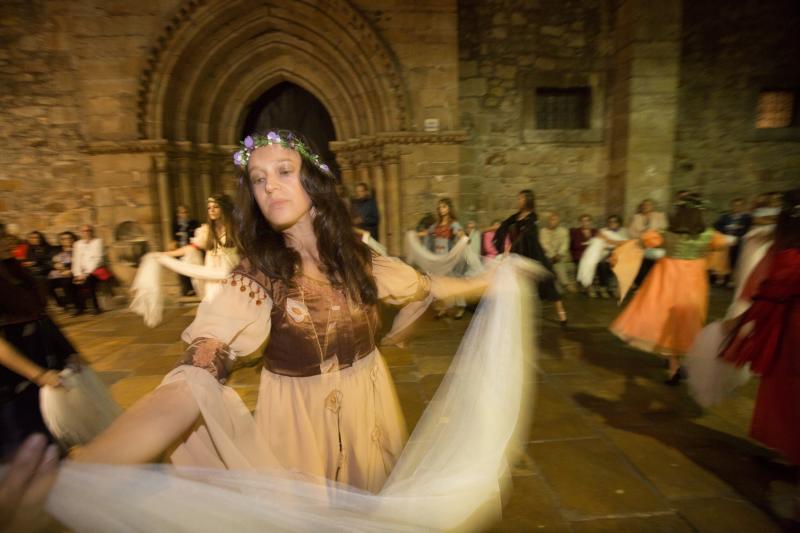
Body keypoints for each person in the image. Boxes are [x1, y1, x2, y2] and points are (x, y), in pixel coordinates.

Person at [71, 130, 491, 495]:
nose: (269, 186)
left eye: (284, 171)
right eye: (258, 179)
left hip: (371, 410)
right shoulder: (258, 275)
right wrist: (93, 462)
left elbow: (426, 285)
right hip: (302, 429)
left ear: (313, 180)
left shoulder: (356, 257)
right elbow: (195, 374)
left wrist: (492, 280)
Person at [719, 188, 800, 485]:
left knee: (790, 389)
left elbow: (771, 291)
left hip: (793, 330)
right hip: (789, 322)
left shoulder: (789, 254)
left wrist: (741, 320)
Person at [610, 194, 727, 384]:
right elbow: (721, 245)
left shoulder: (666, 233)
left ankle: (672, 365)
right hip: (693, 281)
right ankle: (677, 363)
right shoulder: (709, 234)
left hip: (666, 279)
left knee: (663, 318)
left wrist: (621, 253)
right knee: (687, 319)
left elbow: (643, 241)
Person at [0, 222, 70, 460]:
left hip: (38, 357)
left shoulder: (12, 268)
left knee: (49, 438)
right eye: (1, 235)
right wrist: (38, 375)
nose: (9, 238)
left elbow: (41, 316)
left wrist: (68, 353)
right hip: (13, 379)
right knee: (24, 443)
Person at [494, 190, 567, 325]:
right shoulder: (517, 216)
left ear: (528, 200)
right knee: (516, 283)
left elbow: (525, 234)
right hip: (521, 252)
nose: (519, 200)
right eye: (519, 198)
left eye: (521, 198)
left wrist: (510, 248)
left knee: (547, 279)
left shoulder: (533, 217)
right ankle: (515, 313)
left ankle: (561, 312)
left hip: (534, 252)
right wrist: (499, 236)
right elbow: (505, 224)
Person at [162, 194, 239, 301]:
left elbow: (242, 256)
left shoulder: (234, 231)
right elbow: (189, 248)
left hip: (230, 277)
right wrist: (165, 255)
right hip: (212, 279)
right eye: (209, 208)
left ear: (224, 208)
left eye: (215, 207)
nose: (211, 210)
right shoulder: (206, 231)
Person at [422, 198, 467, 319]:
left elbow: (460, 233)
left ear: (449, 208)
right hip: (438, 256)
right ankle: (444, 307)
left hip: (449, 256)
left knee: (454, 281)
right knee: (440, 283)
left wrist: (462, 236)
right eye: (440, 207)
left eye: (444, 207)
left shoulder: (454, 224)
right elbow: (428, 235)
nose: (441, 209)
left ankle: (460, 307)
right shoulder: (436, 225)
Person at [628, 199, 668, 288]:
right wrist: (642, 236)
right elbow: (631, 233)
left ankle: (654, 284)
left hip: (655, 244)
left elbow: (664, 230)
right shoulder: (636, 217)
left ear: (653, 206)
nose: (646, 206)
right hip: (640, 244)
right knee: (638, 258)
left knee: (656, 258)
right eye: (644, 205)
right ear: (641, 207)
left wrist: (651, 234)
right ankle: (641, 284)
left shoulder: (660, 216)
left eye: (649, 205)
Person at [71, 224, 105, 316]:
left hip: (95, 270)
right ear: (80, 233)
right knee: (69, 282)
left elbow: (98, 259)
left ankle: (95, 307)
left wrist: (86, 274)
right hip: (81, 272)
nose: (86, 233)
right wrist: (77, 274)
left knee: (89, 280)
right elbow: (76, 259)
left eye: (88, 230)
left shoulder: (97, 242)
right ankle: (80, 308)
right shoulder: (77, 244)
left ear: (92, 232)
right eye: (84, 231)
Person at [539, 213, 577, 293]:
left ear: (558, 221)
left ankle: (559, 286)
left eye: (555, 220)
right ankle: (565, 283)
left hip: (561, 256)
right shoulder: (543, 231)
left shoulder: (563, 231)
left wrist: (559, 254)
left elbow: (565, 244)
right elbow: (544, 245)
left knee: (558, 262)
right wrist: (553, 255)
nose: (553, 222)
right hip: (548, 256)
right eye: (551, 220)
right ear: (548, 221)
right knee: (554, 263)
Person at [172, 205, 200, 296]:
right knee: (181, 270)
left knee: (192, 270)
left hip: (191, 250)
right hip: (180, 250)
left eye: (184, 212)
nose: (183, 214)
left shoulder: (194, 223)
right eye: (180, 212)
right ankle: (185, 290)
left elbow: (197, 236)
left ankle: (193, 289)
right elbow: (174, 238)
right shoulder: (176, 225)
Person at [46, 231, 77, 310]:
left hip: (71, 271)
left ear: (73, 239)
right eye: (63, 239)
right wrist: (54, 265)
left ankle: (72, 304)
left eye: (69, 238)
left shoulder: (77, 248)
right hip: (57, 272)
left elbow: (79, 262)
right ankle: (61, 304)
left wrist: (67, 268)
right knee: (48, 284)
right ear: (60, 241)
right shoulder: (56, 249)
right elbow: (48, 261)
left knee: (65, 282)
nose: (67, 240)